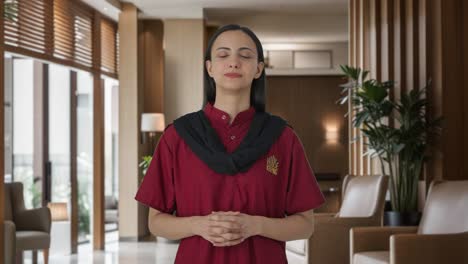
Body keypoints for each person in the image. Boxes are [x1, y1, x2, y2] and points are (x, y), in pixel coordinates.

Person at [135, 24, 325, 264]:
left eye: (245, 55)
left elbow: (305, 225)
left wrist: (255, 225)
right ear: (210, 68)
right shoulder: (177, 136)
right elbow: (155, 222)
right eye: (223, 55)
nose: (234, 62)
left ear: (258, 69)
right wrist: (198, 225)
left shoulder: (283, 138)